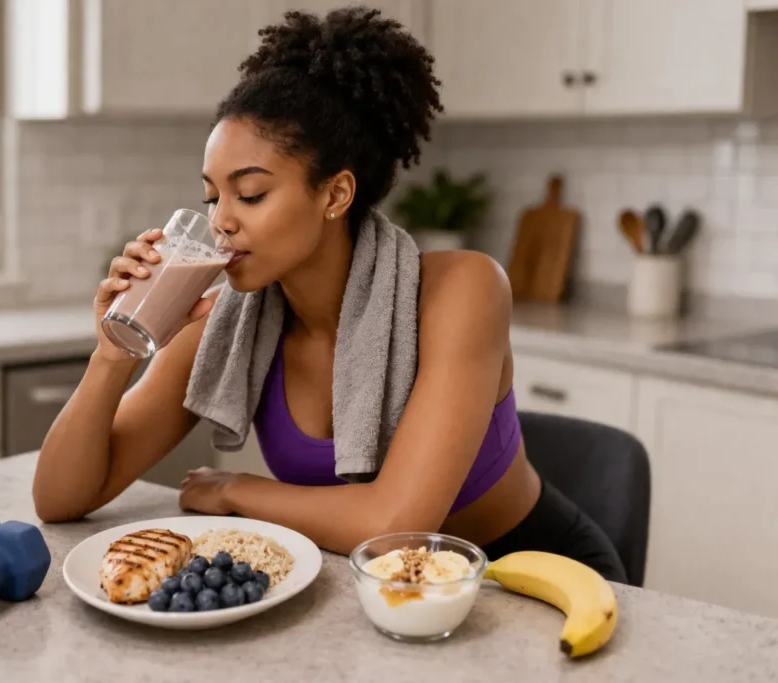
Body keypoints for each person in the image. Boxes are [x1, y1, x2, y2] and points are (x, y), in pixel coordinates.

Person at [31, 7, 627, 583]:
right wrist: (114, 353)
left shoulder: (462, 289)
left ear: (335, 193)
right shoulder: (225, 320)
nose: (221, 223)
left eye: (252, 194)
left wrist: (240, 490)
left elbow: (396, 528)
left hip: (525, 574)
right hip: (373, 594)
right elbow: (60, 498)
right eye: (213, 196)